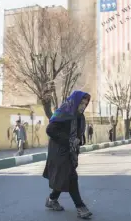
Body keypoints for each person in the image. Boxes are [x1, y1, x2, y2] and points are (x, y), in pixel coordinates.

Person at [43, 91, 92, 219]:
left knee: (64, 177)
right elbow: (50, 130)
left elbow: (79, 133)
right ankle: (80, 207)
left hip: (71, 152)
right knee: (71, 177)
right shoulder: (63, 112)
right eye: (81, 102)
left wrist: (79, 140)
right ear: (75, 101)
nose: (83, 106)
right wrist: (69, 140)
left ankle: (52, 199)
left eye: (85, 103)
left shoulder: (80, 116)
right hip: (59, 151)